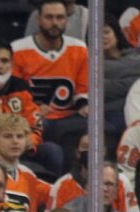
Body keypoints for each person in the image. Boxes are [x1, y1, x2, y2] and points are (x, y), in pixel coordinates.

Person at [12, 0, 90, 166]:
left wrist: (83, 104)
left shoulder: (80, 48)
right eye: (49, 17)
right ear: (38, 19)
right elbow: (14, 94)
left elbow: (83, 88)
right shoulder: (18, 50)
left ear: (66, 20)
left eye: (60, 17)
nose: (55, 23)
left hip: (69, 115)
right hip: (33, 117)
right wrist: (33, 109)